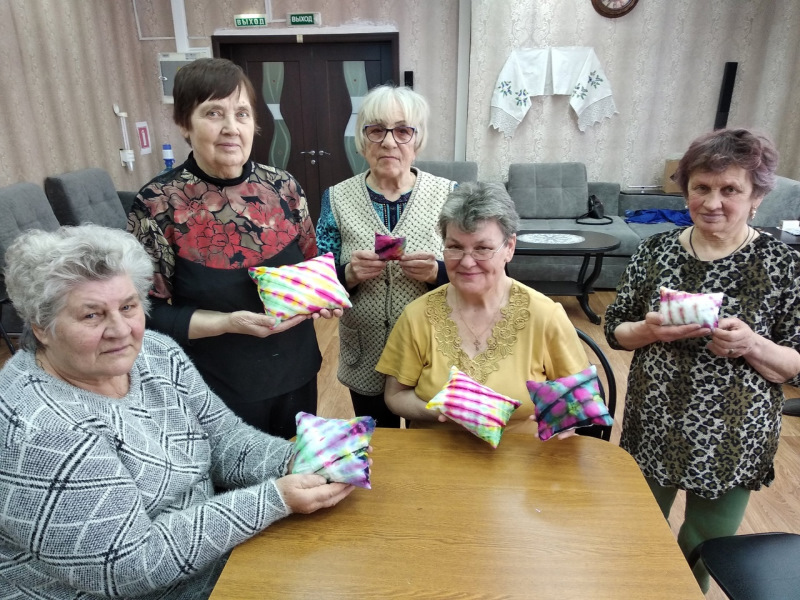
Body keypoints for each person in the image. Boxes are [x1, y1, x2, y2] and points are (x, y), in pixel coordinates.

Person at [0, 225, 355, 600]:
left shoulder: (154, 353)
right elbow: (128, 568)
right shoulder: (39, 431)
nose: (120, 330)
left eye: (128, 307)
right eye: (92, 315)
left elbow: (225, 440)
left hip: (214, 559)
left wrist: (300, 458)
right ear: (42, 328)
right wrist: (273, 499)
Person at [604, 128, 800, 592]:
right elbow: (615, 329)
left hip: (733, 435)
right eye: (701, 187)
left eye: (730, 189)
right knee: (637, 529)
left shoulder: (782, 265)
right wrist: (649, 330)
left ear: (757, 196)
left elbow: (794, 363)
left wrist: (751, 344)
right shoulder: (655, 250)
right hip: (654, 421)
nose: (712, 202)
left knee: (704, 544)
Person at [128, 58, 339, 439]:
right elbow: (145, 313)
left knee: (297, 466)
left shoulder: (284, 187)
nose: (231, 127)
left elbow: (312, 266)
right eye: (213, 113)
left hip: (296, 370)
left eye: (241, 113)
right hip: (216, 386)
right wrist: (228, 323)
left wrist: (324, 293)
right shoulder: (159, 204)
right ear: (184, 124)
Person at [374, 182, 589, 434]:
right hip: (433, 452)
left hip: (520, 453)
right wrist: (441, 411)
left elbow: (579, 402)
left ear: (509, 247)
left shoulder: (545, 316)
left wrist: (566, 420)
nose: (467, 262)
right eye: (455, 247)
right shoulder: (417, 316)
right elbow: (395, 396)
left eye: (483, 248)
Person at [316, 85, 457, 428]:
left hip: (431, 350)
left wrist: (437, 273)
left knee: (432, 444)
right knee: (380, 444)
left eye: (403, 130)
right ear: (363, 140)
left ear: (417, 140)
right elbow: (318, 283)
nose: (389, 142)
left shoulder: (450, 196)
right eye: (376, 130)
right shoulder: (336, 198)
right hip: (366, 352)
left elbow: (477, 273)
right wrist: (348, 274)